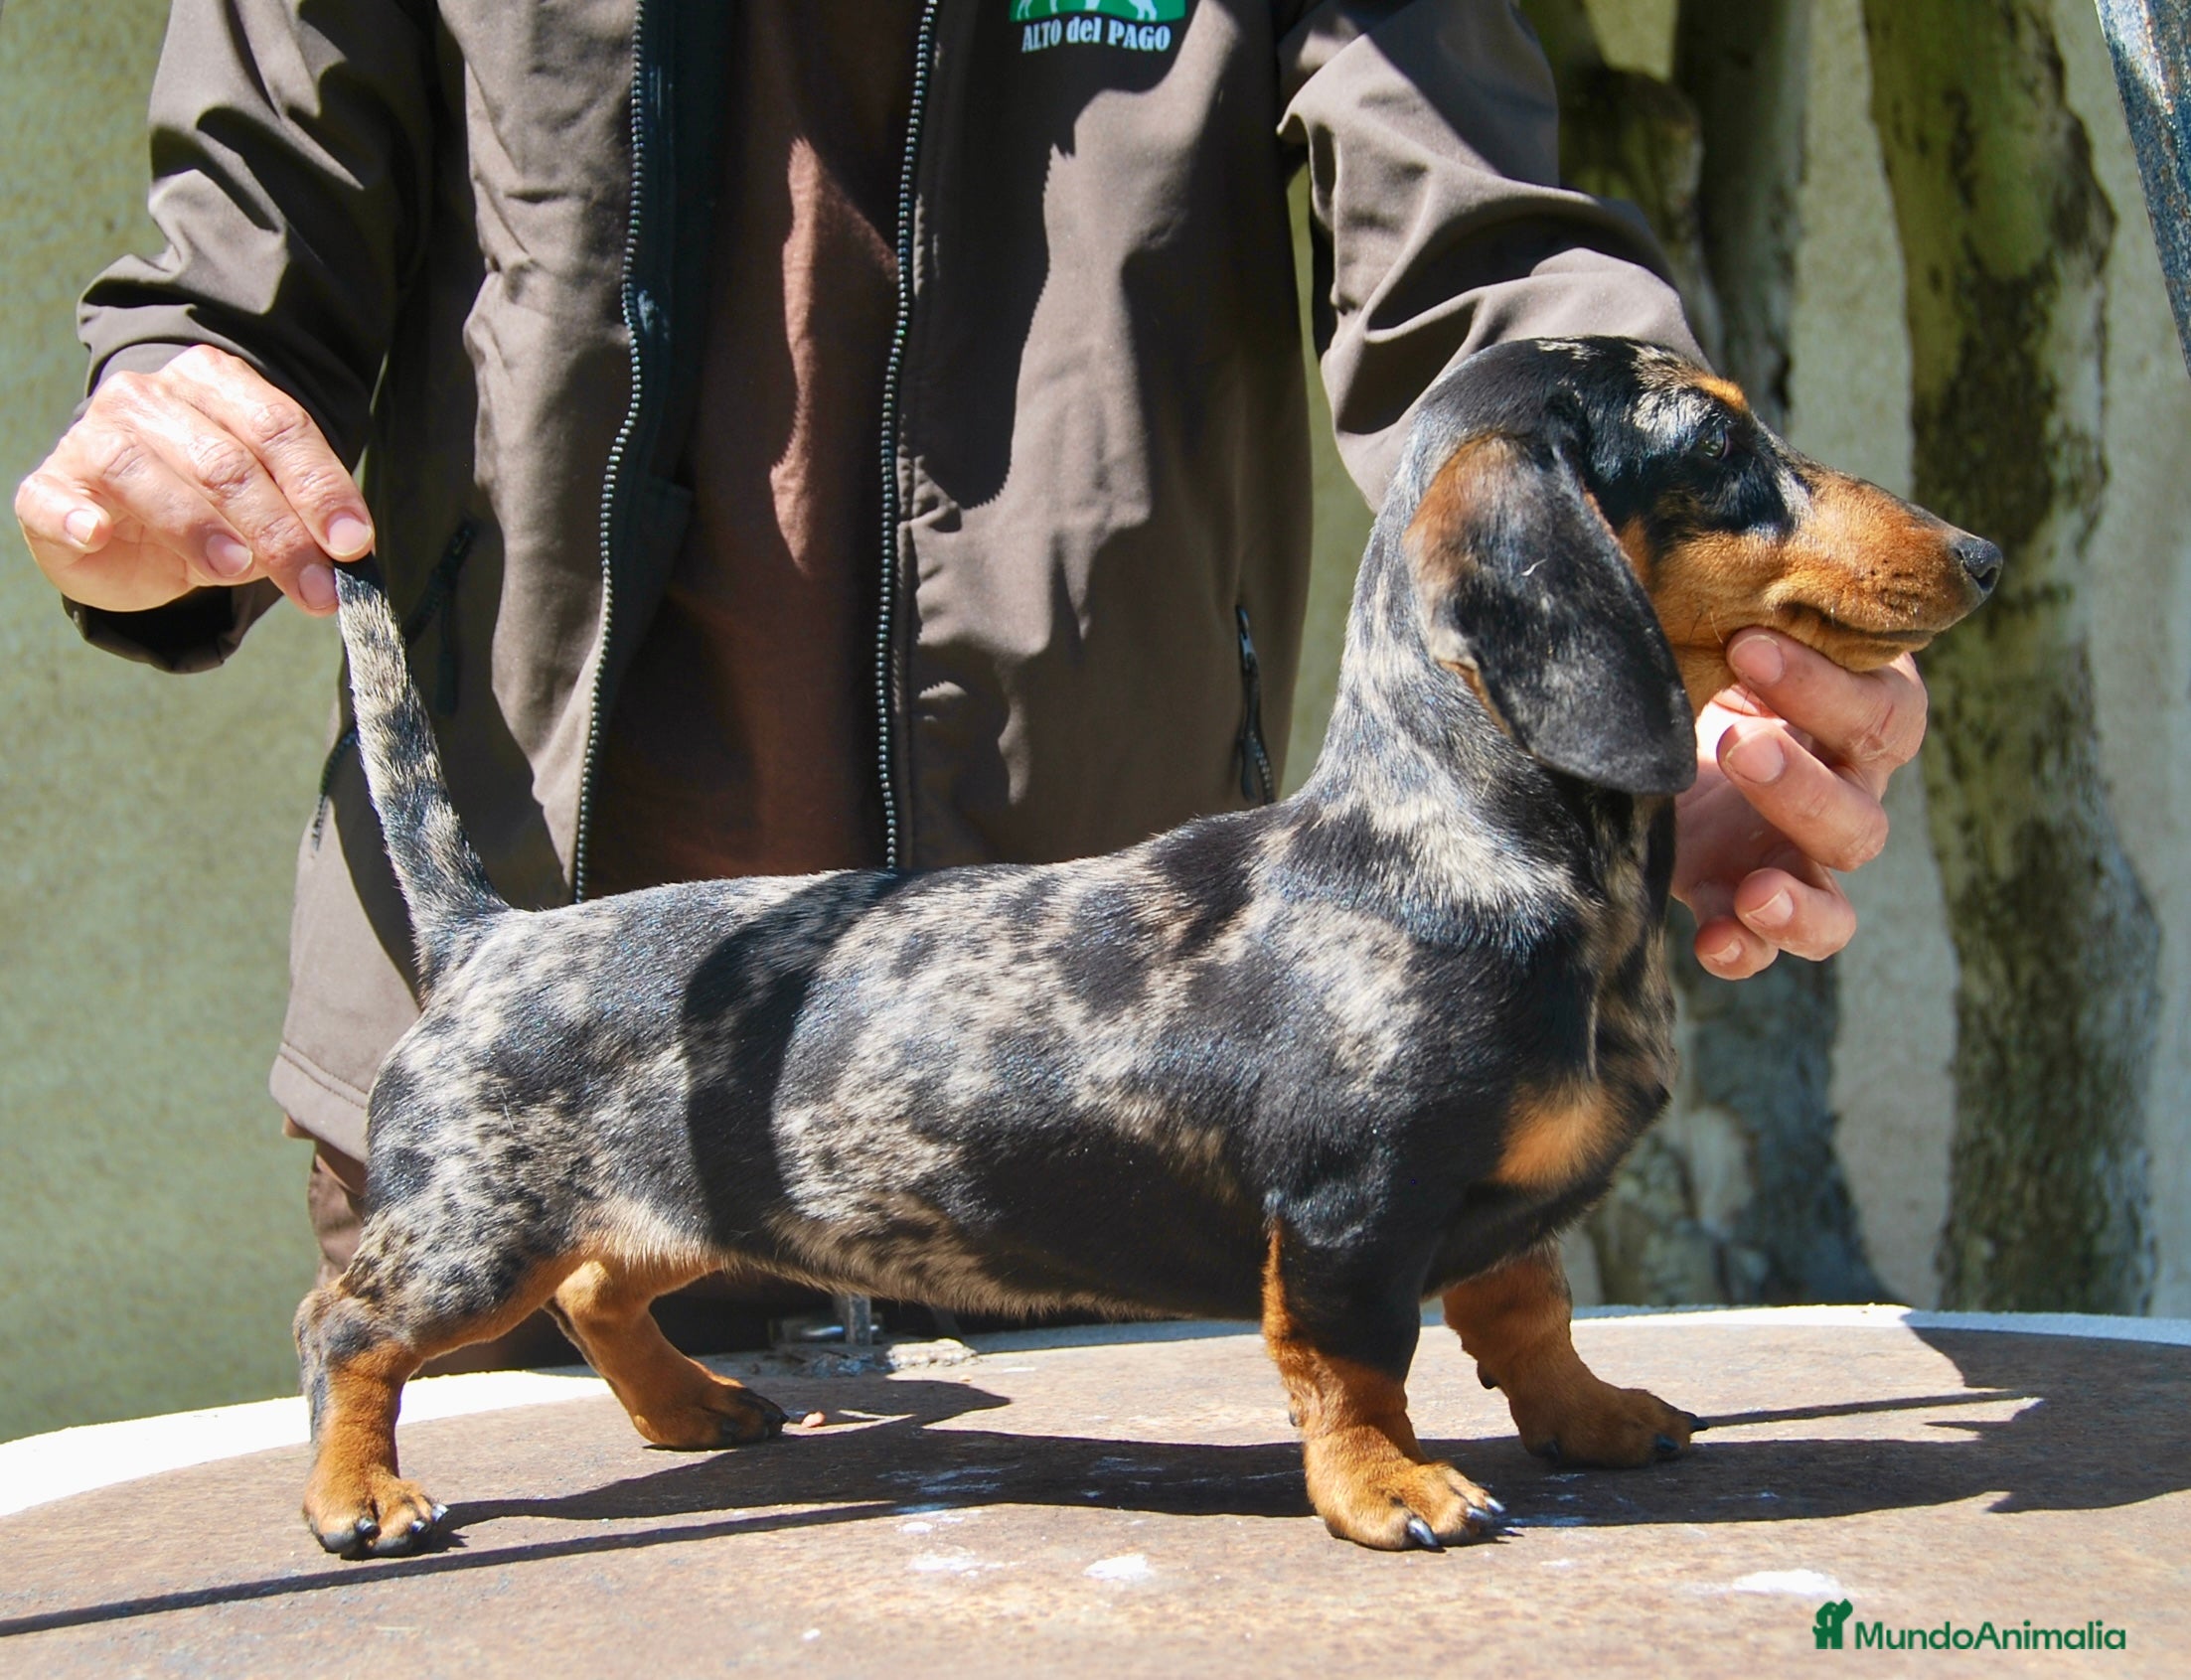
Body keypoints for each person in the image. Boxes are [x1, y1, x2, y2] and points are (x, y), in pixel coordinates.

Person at [16, 1, 1921, 1356]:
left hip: (1146, 1106)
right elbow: (234, 285)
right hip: (546, 1041)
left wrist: (1679, 628)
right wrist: (147, 449)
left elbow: (1489, 282)